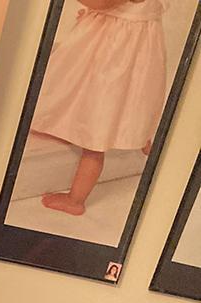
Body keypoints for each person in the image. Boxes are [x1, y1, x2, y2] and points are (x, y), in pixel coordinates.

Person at [30, 0, 167, 216]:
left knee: (99, 116)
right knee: (133, 97)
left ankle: (75, 200)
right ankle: (143, 138)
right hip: (126, 44)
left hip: (115, 51)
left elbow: (102, 2)